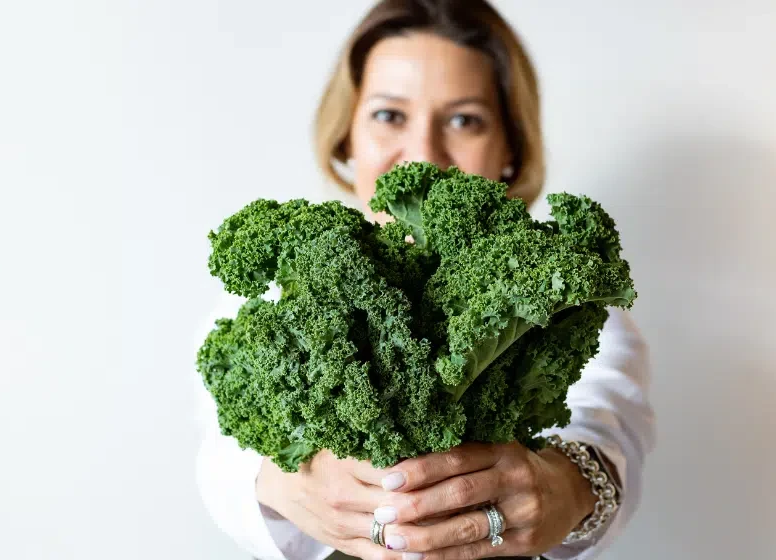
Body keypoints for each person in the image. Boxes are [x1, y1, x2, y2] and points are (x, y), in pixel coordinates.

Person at [194, 1, 656, 559]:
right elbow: (219, 451)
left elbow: (608, 418)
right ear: (347, 134)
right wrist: (278, 481)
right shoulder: (283, 286)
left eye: (464, 119)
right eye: (390, 115)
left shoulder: (554, 286)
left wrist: (568, 484)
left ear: (511, 145)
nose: (423, 154)